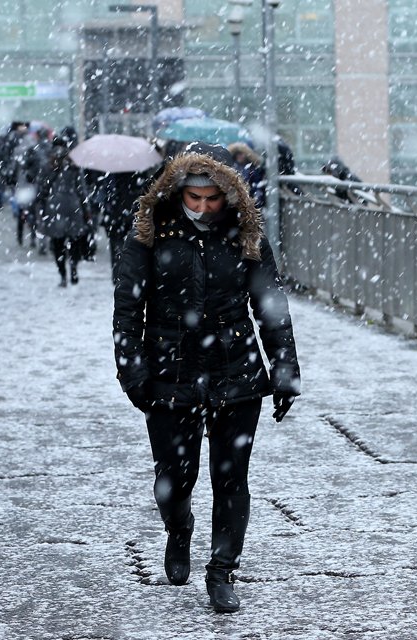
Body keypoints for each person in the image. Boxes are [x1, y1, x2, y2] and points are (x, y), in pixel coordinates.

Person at [111, 143, 301, 613]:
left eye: (211, 198)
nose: (201, 207)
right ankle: (179, 528)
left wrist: (284, 367)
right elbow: (127, 310)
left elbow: (270, 306)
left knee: (231, 477)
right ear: (177, 192)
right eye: (193, 197)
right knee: (174, 479)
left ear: (227, 195)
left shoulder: (246, 234)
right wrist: (132, 372)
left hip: (235, 370)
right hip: (169, 373)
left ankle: (222, 571)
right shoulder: (149, 233)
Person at [35, 128, 91, 286]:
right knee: (74, 241)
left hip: (54, 208)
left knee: (57, 244)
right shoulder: (73, 165)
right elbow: (82, 190)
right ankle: (73, 267)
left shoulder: (47, 165)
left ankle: (63, 275)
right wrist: (86, 209)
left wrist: (40, 207)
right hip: (73, 206)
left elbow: (42, 190)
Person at [227, 142, 266, 209]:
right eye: (237, 154)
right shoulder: (231, 166)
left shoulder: (252, 168)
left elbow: (257, 184)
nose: (240, 156)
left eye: (241, 154)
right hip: (235, 198)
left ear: (247, 155)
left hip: (249, 197)